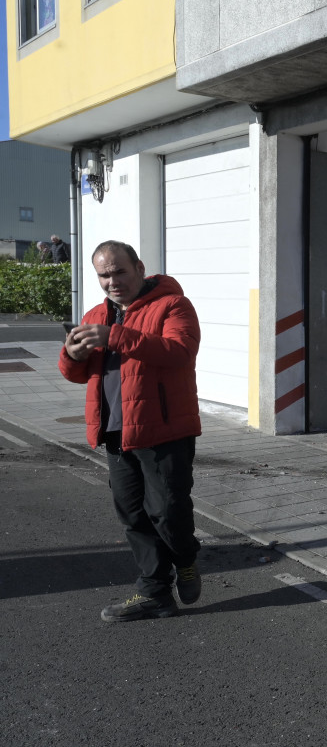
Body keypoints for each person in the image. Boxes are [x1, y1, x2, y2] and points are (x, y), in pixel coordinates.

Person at [59, 241, 203, 623]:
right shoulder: (95, 314)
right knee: (133, 516)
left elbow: (180, 352)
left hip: (165, 430)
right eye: (104, 275)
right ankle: (155, 592)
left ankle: (186, 558)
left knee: (167, 512)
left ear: (139, 268)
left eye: (119, 271)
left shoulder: (173, 305)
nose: (112, 281)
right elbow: (75, 374)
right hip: (114, 432)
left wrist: (115, 337)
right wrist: (72, 353)